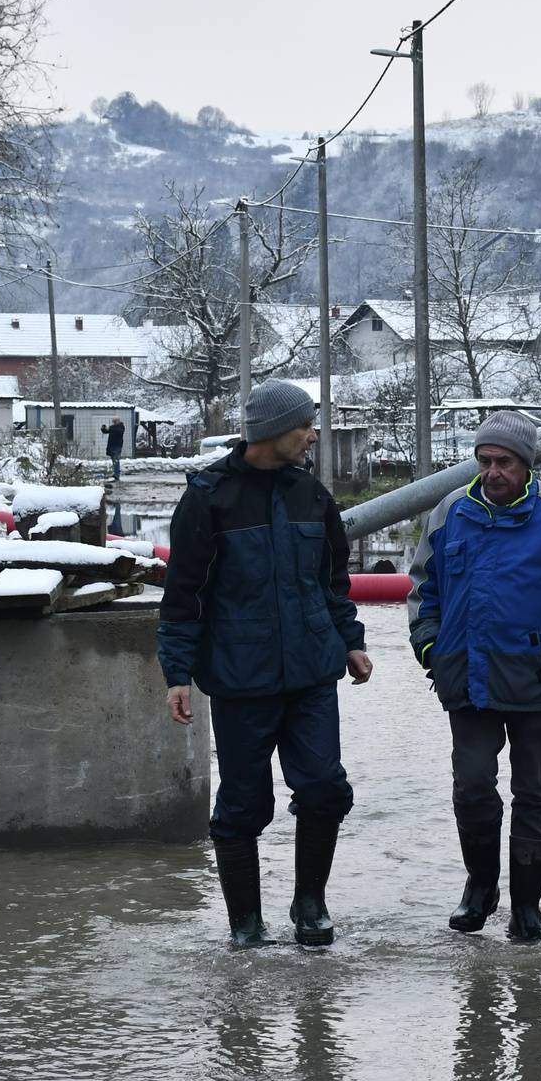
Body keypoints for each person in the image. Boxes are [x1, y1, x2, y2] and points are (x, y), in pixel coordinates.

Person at [158, 380, 372, 948]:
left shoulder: (313, 496)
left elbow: (332, 581)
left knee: (325, 788)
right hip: (239, 679)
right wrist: (176, 673)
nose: (313, 435)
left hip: (311, 675)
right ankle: (245, 926)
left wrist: (350, 640)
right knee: (244, 804)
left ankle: (310, 906)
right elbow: (184, 594)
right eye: (306, 425)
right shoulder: (210, 498)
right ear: (276, 430)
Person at [407, 411, 541, 943]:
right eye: (484, 461)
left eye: (503, 461)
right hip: (466, 679)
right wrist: (431, 647)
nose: (492, 472)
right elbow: (421, 587)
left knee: (534, 793)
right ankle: (480, 887)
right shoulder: (451, 512)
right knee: (473, 786)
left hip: (538, 681)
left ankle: (527, 908)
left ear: (526, 464)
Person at [101, 415, 127, 479]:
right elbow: (106, 431)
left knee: (116, 460)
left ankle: (117, 474)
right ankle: (115, 473)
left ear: (118, 421)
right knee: (114, 460)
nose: (114, 422)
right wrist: (103, 428)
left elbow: (118, 431)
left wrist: (109, 428)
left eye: (115, 421)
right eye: (113, 421)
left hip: (117, 446)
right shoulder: (113, 427)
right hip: (111, 446)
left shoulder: (121, 427)